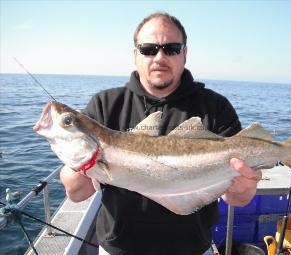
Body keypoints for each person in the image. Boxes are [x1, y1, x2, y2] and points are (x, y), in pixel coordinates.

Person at [60, 12, 262, 255]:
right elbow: (76, 193)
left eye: (171, 48)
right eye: (148, 49)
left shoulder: (215, 107)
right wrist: (82, 162)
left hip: (194, 249)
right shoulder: (105, 104)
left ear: (185, 53)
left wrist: (244, 188)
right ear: (135, 55)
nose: (159, 57)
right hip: (119, 249)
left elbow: (238, 199)